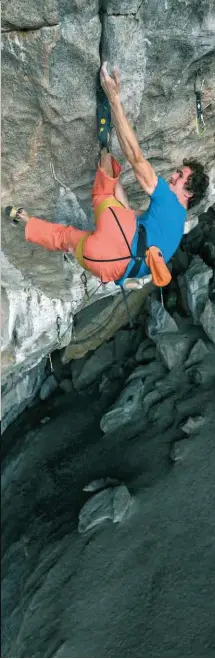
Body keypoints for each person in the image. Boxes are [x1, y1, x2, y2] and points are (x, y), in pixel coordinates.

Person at [17, 62, 209, 286]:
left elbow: (136, 158)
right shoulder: (173, 229)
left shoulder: (169, 202)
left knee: (103, 195)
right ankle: (25, 221)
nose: (172, 177)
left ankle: (105, 148)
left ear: (188, 194)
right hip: (103, 265)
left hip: (115, 241)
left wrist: (115, 100)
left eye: (180, 176)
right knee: (66, 237)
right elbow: (126, 210)